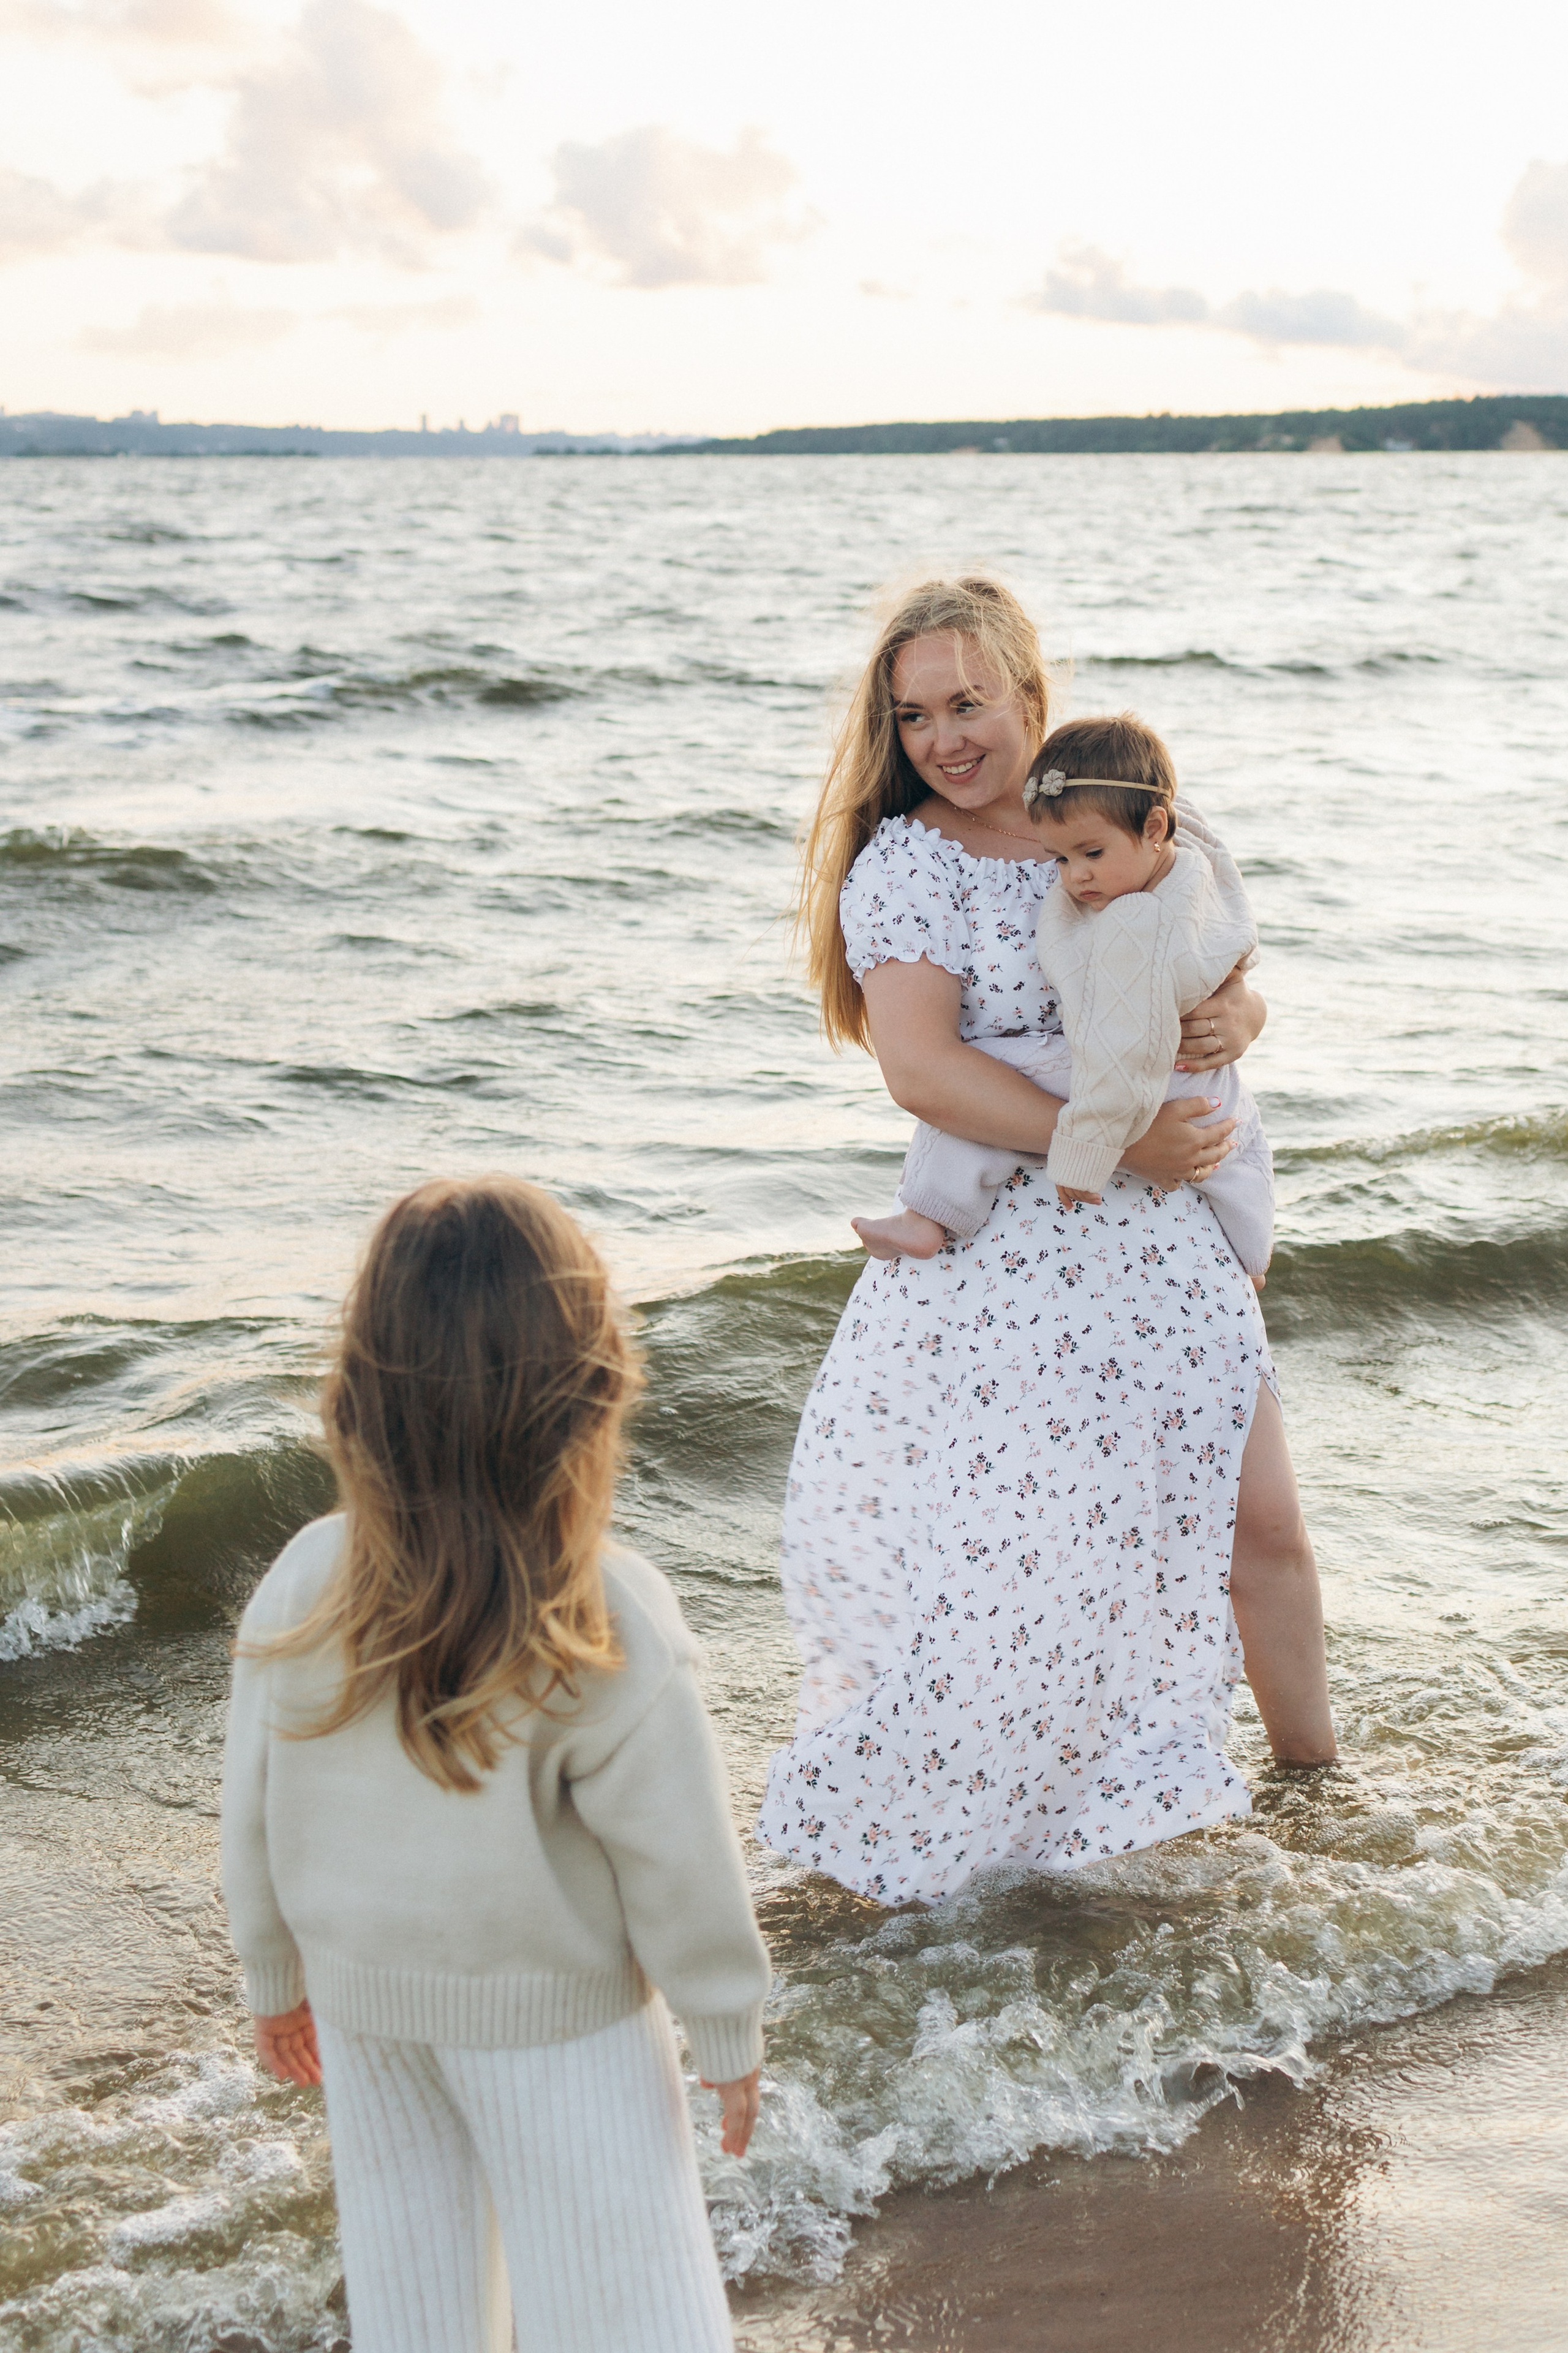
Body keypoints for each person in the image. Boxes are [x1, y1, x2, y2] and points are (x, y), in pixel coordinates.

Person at [756, 576, 1335, 1908]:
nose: (945, 739)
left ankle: (1318, 1800)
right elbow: (921, 1070)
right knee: (1014, 1567)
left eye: (967, 703)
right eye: (913, 718)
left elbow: (1220, 965)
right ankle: (1009, 1865)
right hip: (1011, 1264)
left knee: (1260, 1531)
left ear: (1029, 691)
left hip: (1169, 1250)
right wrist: (1109, 1137)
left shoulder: (1119, 811)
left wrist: (1238, 1024)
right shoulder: (908, 867)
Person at [221, 1176, 771, 2353]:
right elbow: (680, 1863)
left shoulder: (308, 1577)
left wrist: (274, 1977)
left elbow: (254, 1806)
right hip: (559, 2026)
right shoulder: (600, 1610)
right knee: (628, 2307)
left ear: (365, 1382)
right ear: (585, 1382)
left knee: (417, 2301)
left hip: (368, 2007)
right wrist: (727, 2028)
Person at [853, 711, 1274, 1285]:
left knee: (995, 1081)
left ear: (1157, 828)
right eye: (1061, 861)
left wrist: (1095, 1145)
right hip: (1198, 1084)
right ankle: (1252, 1259)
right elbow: (1230, 929)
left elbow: (1123, 1045)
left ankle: (929, 1214)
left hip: (1143, 1072)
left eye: (1089, 856)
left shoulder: (1133, 911)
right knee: (1241, 1153)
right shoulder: (1165, 854)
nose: (1074, 878)